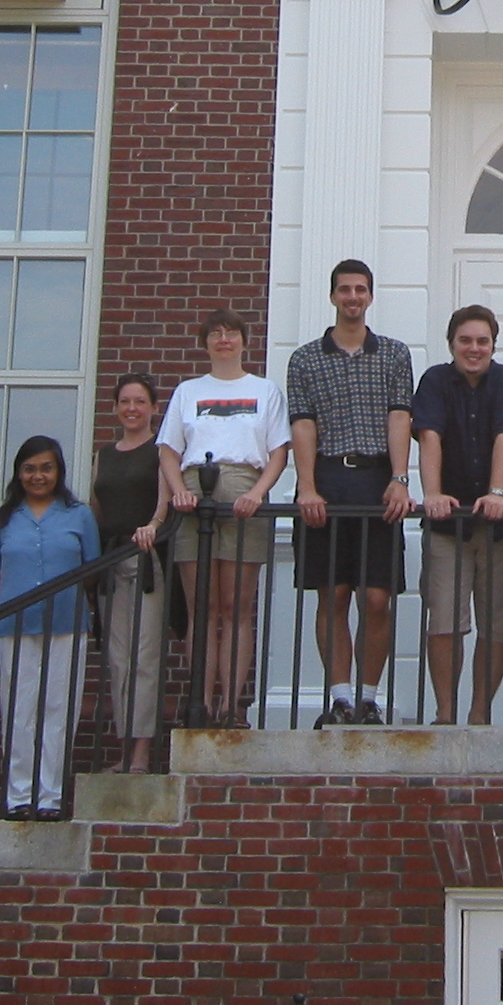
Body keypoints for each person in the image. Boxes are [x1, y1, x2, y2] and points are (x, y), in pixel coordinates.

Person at [286, 259, 415, 727]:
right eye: (345, 289)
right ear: (333, 296)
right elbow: (303, 425)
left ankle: (369, 698)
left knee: (377, 597)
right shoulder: (304, 359)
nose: (353, 297)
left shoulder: (395, 354)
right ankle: (340, 698)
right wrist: (306, 486)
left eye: (360, 289)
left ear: (370, 296)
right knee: (333, 594)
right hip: (327, 478)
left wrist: (400, 478)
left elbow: (400, 416)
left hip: (378, 480)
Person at [156, 310, 291, 729]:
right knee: (202, 607)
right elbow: (168, 450)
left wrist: (257, 493)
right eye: (215, 334)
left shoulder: (264, 390)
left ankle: (231, 705)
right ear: (205, 344)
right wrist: (178, 490)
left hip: (243, 487)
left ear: (244, 341)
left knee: (236, 607)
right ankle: (201, 704)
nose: (224, 340)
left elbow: (278, 452)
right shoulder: (188, 391)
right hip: (194, 492)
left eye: (231, 333)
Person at [414, 305, 503, 725]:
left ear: (493, 345)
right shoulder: (434, 381)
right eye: (465, 340)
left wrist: (497, 493)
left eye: (483, 341)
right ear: (451, 343)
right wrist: (432, 493)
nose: (474, 348)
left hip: (502, 526)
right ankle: (445, 714)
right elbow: (429, 437)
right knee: (445, 620)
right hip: (448, 524)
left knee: (498, 624)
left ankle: (480, 713)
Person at [0, 437, 100, 821]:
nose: (38, 476)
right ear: (18, 473)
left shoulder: (79, 515)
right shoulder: (2, 518)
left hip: (67, 624)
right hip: (16, 626)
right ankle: (19, 795)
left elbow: (92, 569)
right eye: (29, 469)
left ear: (59, 471)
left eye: (46, 468)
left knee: (60, 707)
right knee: (19, 707)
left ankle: (50, 796)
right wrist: (14, 599)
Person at [93, 371, 169, 772]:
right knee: (118, 659)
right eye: (125, 401)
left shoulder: (161, 451)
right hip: (110, 560)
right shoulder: (103, 456)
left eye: (140, 401)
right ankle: (124, 749)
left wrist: (152, 527)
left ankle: (140, 754)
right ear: (115, 407)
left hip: (146, 561)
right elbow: (95, 509)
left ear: (154, 408)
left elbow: (164, 504)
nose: (132, 408)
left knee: (144, 657)